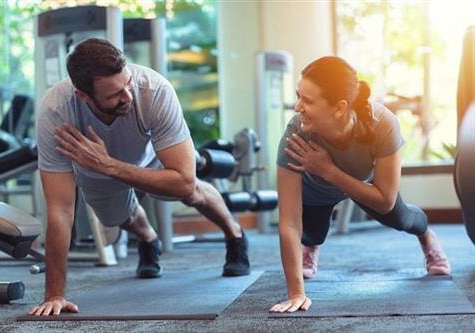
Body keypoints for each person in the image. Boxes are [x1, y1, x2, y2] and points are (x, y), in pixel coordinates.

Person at [29, 38, 250, 316]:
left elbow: (183, 180)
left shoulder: (154, 90)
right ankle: (148, 238)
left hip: (154, 155)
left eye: (128, 84)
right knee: (117, 217)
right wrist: (55, 295)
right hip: (94, 166)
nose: (128, 97)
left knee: (190, 192)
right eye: (114, 95)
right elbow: (60, 209)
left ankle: (235, 235)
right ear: (84, 96)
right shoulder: (56, 112)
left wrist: (109, 165)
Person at [269, 56, 451, 313]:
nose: (297, 107)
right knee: (311, 233)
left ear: (340, 107)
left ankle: (427, 235)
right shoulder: (297, 131)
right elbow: (288, 222)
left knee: (402, 218)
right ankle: (311, 245)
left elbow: (385, 199)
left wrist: (328, 170)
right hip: (317, 190)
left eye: (308, 100)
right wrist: (296, 293)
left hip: (363, 185)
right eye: (299, 96)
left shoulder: (381, 123)